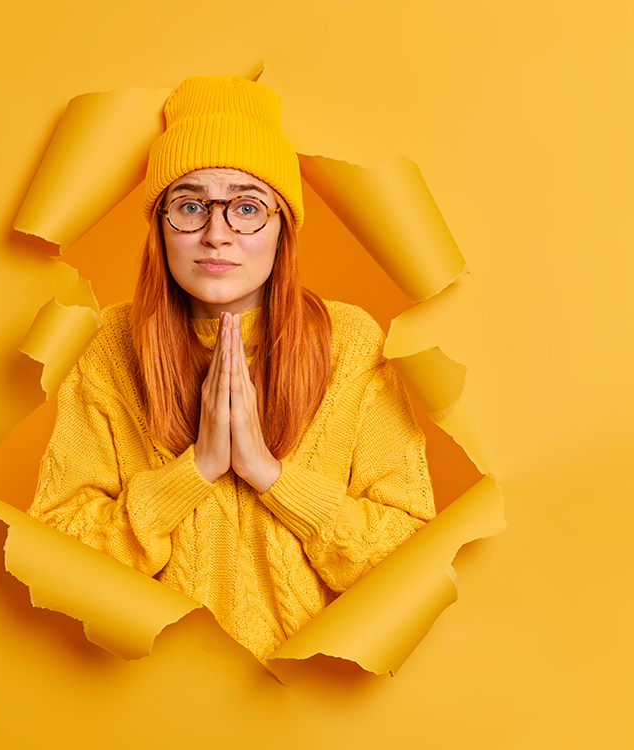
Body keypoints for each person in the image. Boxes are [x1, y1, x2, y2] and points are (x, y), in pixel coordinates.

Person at [28, 75, 435, 660]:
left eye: (246, 207)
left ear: (282, 228)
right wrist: (192, 472)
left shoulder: (350, 343)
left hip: (315, 701)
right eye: (190, 206)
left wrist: (270, 476)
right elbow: (58, 556)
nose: (217, 234)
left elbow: (411, 558)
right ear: (159, 227)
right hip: (149, 700)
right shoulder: (108, 347)